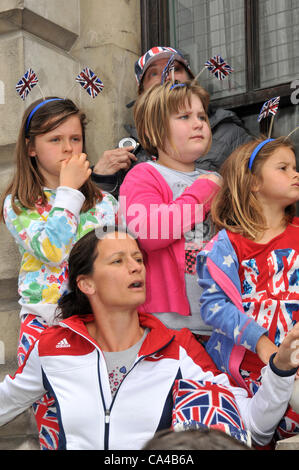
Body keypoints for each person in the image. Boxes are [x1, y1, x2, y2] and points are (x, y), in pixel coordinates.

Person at [1, 226, 299, 450]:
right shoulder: (54, 346)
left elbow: (256, 426)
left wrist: (281, 368)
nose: (135, 266)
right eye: (117, 261)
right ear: (86, 283)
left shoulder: (178, 346)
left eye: (137, 258)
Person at [0, 97, 118, 450]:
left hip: (98, 324)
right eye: (55, 140)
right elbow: (54, 251)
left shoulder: (106, 204)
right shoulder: (19, 202)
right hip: (44, 324)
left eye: (76, 139)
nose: (68, 148)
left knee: (99, 420)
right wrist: (68, 192)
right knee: (55, 422)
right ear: (30, 148)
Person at [196, 136, 299, 441]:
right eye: (283, 167)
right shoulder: (225, 245)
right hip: (251, 374)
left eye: (295, 166)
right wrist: (262, 343)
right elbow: (214, 307)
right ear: (253, 183)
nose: (295, 173)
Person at [119, 80, 221, 337]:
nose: (198, 123)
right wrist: (201, 193)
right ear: (156, 128)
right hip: (165, 325)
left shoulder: (215, 179)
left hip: (218, 324)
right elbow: (150, 234)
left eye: (201, 116)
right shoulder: (142, 175)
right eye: (184, 116)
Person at [91, 46, 252, 196]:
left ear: (192, 79)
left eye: (175, 68)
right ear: (142, 93)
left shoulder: (230, 133)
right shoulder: (129, 152)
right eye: (154, 73)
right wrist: (101, 179)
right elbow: (109, 215)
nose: (167, 75)